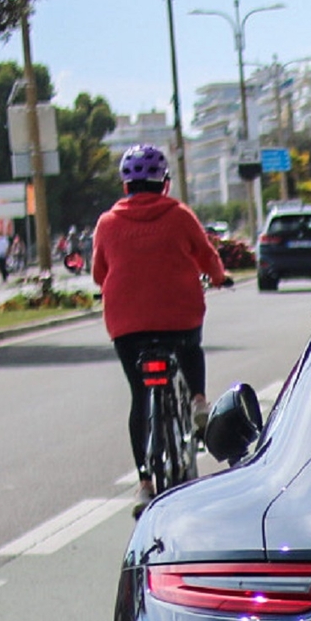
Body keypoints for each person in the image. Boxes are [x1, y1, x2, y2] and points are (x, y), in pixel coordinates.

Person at [92, 142, 227, 505]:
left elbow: (98, 274)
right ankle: (198, 401)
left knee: (140, 396)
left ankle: (145, 483)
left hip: (127, 325)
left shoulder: (107, 223)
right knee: (189, 348)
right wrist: (218, 276)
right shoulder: (180, 215)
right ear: (164, 183)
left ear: (125, 186)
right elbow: (207, 257)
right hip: (178, 317)